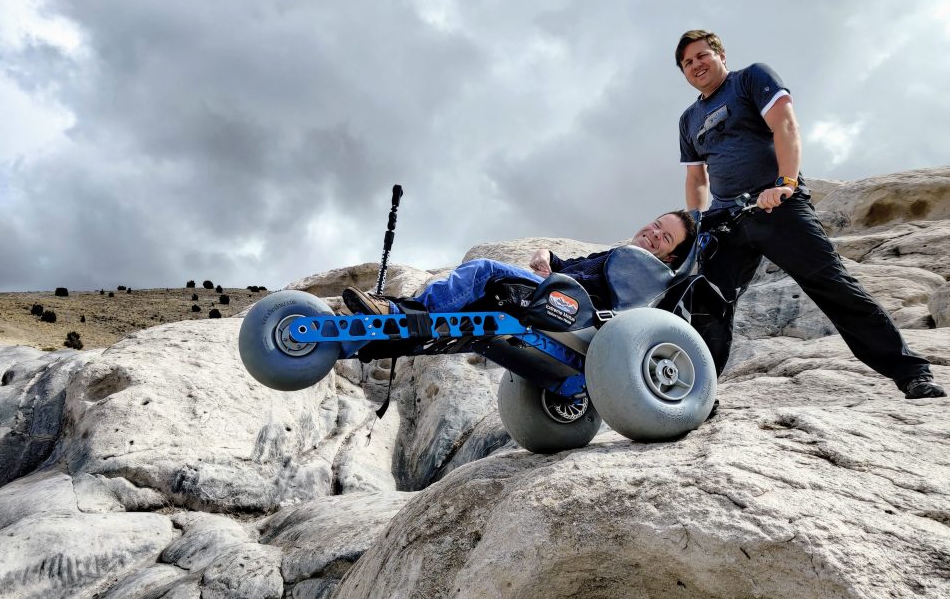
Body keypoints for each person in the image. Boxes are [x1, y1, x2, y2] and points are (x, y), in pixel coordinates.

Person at [674, 29, 944, 399]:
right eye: (687, 63)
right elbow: (696, 176)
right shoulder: (689, 118)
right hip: (727, 221)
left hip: (777, 205)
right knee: (707, 301)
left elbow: (785, 124)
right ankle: (699, 393)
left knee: (833, 286)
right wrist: (697, 219)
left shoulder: (751, 78)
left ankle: (911, 372)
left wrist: (785, 182)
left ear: (721, 55)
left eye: (702, 55)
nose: (696, 65)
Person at [343, 210, 697, 315]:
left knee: (484, 269)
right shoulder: (614, 256)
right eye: (655, 224)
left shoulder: (640, 276)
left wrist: (555, 278)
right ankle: (378, 324)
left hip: (568, 306)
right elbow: (570, 263)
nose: (652, 233)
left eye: (664, 237)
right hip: (556, 291)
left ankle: (406, 314)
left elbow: (602, 300)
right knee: (480, 293)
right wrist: (548, 257)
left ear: (670, 256)